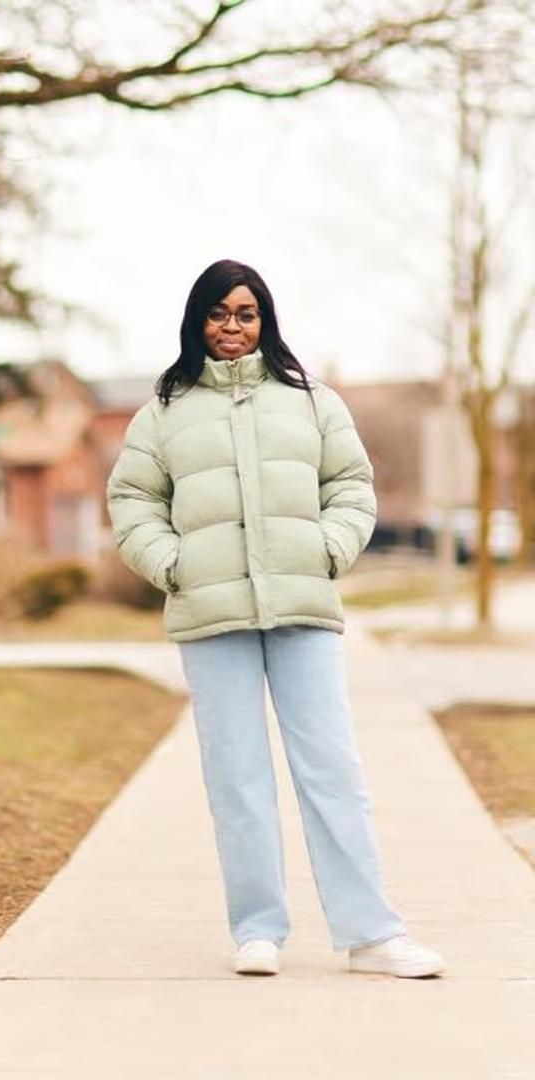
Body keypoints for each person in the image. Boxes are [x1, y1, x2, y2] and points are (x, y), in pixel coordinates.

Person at [107, 259, 443, 979]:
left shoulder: (312, 401)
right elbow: (131, 501)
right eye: (219, 313)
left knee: (333, 769)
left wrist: (329, 548)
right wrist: (173, 563)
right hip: (210, 610)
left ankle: (372, 934)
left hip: (302, 606)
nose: (232, 327)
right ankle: (257, 929)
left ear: (265, 320)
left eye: (246, 313)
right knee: (238, 777)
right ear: (197, 320)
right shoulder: (162, 411)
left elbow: (352, 485)